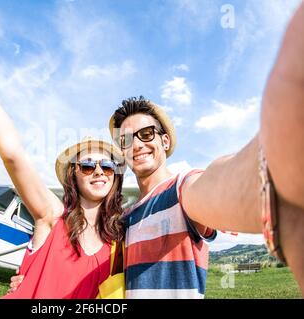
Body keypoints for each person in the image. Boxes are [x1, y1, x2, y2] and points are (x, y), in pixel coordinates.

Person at [109, 2, 304, 298]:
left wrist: (279, 163)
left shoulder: (181, 189)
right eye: (125, 140)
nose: (136, 144)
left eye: (146, 133)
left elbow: (216, 182)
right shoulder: (126, 218)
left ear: (164, 141)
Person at [0, 22, 126, 298]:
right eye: (87, 165)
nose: (98, 171)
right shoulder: (51, 216)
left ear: (115, 175)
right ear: (74, 174)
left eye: (107, 165)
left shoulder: (119, 243)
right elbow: (11, 153)